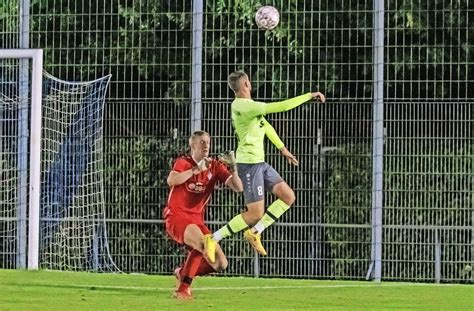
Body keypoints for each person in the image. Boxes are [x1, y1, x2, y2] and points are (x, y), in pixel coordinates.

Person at [204, 71, 326, 261]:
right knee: (255, 213)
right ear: (246, 84)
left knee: (288, 196)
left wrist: (283, 149)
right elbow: (282, 106)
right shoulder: (245, 106)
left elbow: (265, 126)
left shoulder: (249, 107)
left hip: (260, 163)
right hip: (249, 165)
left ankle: (255, 232)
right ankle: (213, 238)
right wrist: (309, 96)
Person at [163, 130, 243, 299]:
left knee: (221, 263)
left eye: (208, 142)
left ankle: (182, 273)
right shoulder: (183, 162)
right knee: (202, 243)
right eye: (202, 142)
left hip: (196, 220)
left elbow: (238, 188)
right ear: (192, 145)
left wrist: (233, 167)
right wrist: (195, 169)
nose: (206, 145)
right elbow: (172, 181)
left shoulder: (214, 166)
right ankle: (183, 290)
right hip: (176, 216)